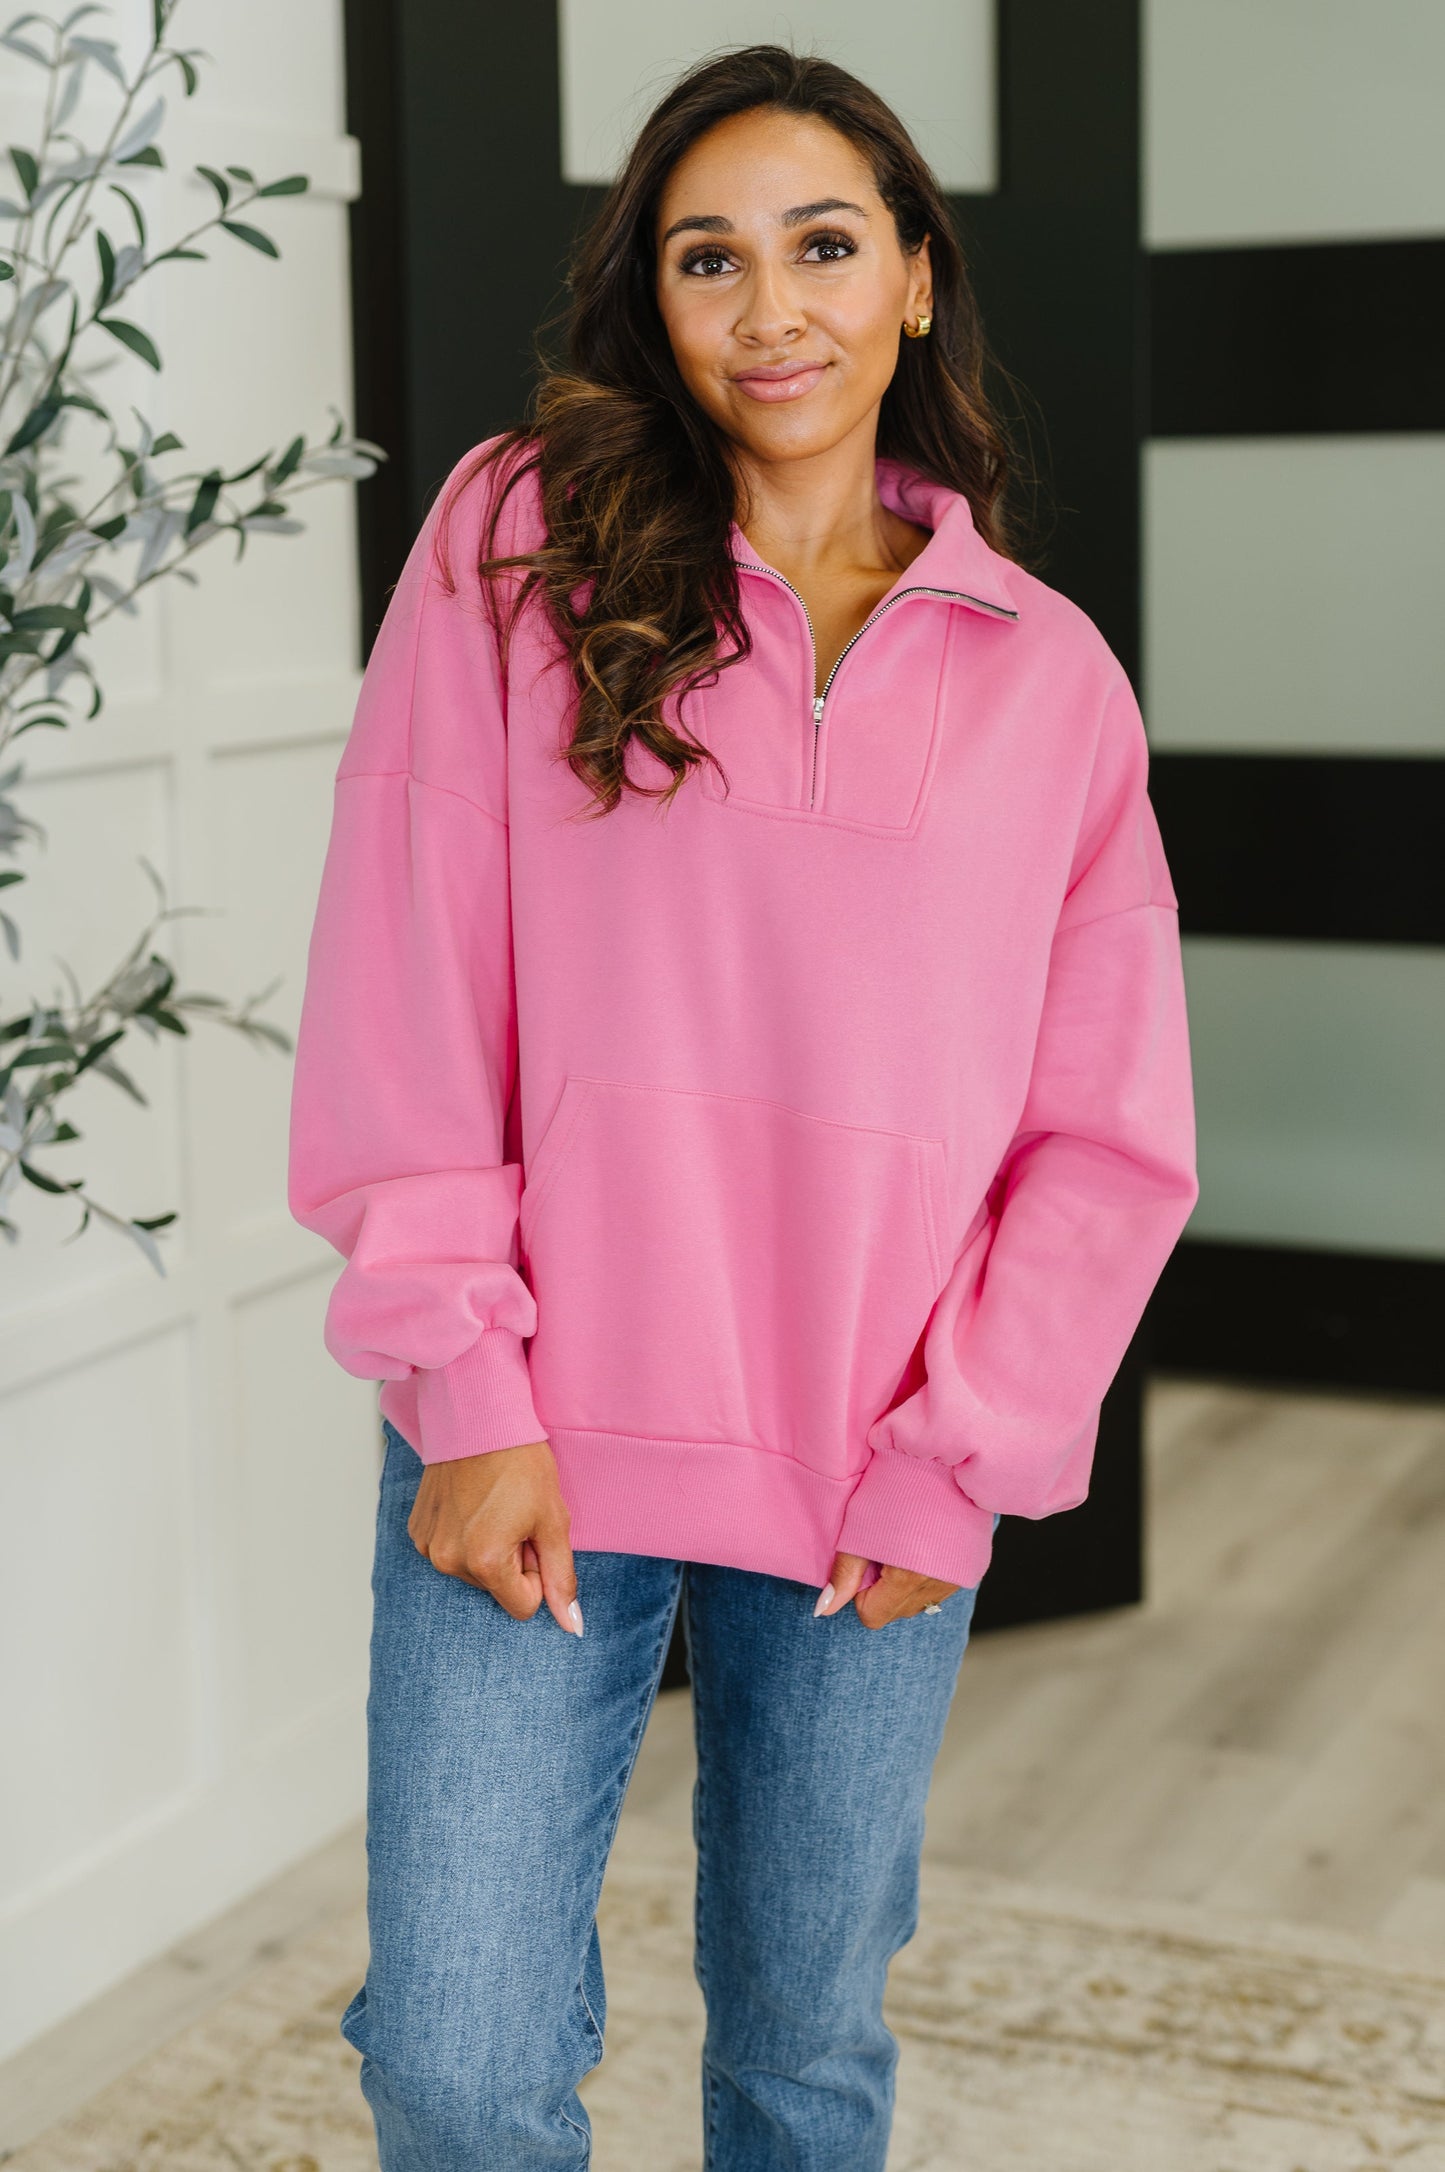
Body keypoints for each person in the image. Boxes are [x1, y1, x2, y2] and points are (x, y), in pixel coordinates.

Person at [286, 42, 1198, 2172]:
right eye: (711, 257)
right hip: (525, 1449)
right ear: (653, 298)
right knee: (456, 2060)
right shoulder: (517, 542)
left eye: (822, 246)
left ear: (912, 283)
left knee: (800, 2055)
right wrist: (468, 1377)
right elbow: (404, 973)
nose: (770, 308)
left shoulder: (1045, 674)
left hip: (877, 1477)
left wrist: (960, 1454)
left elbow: (1108, 1131)